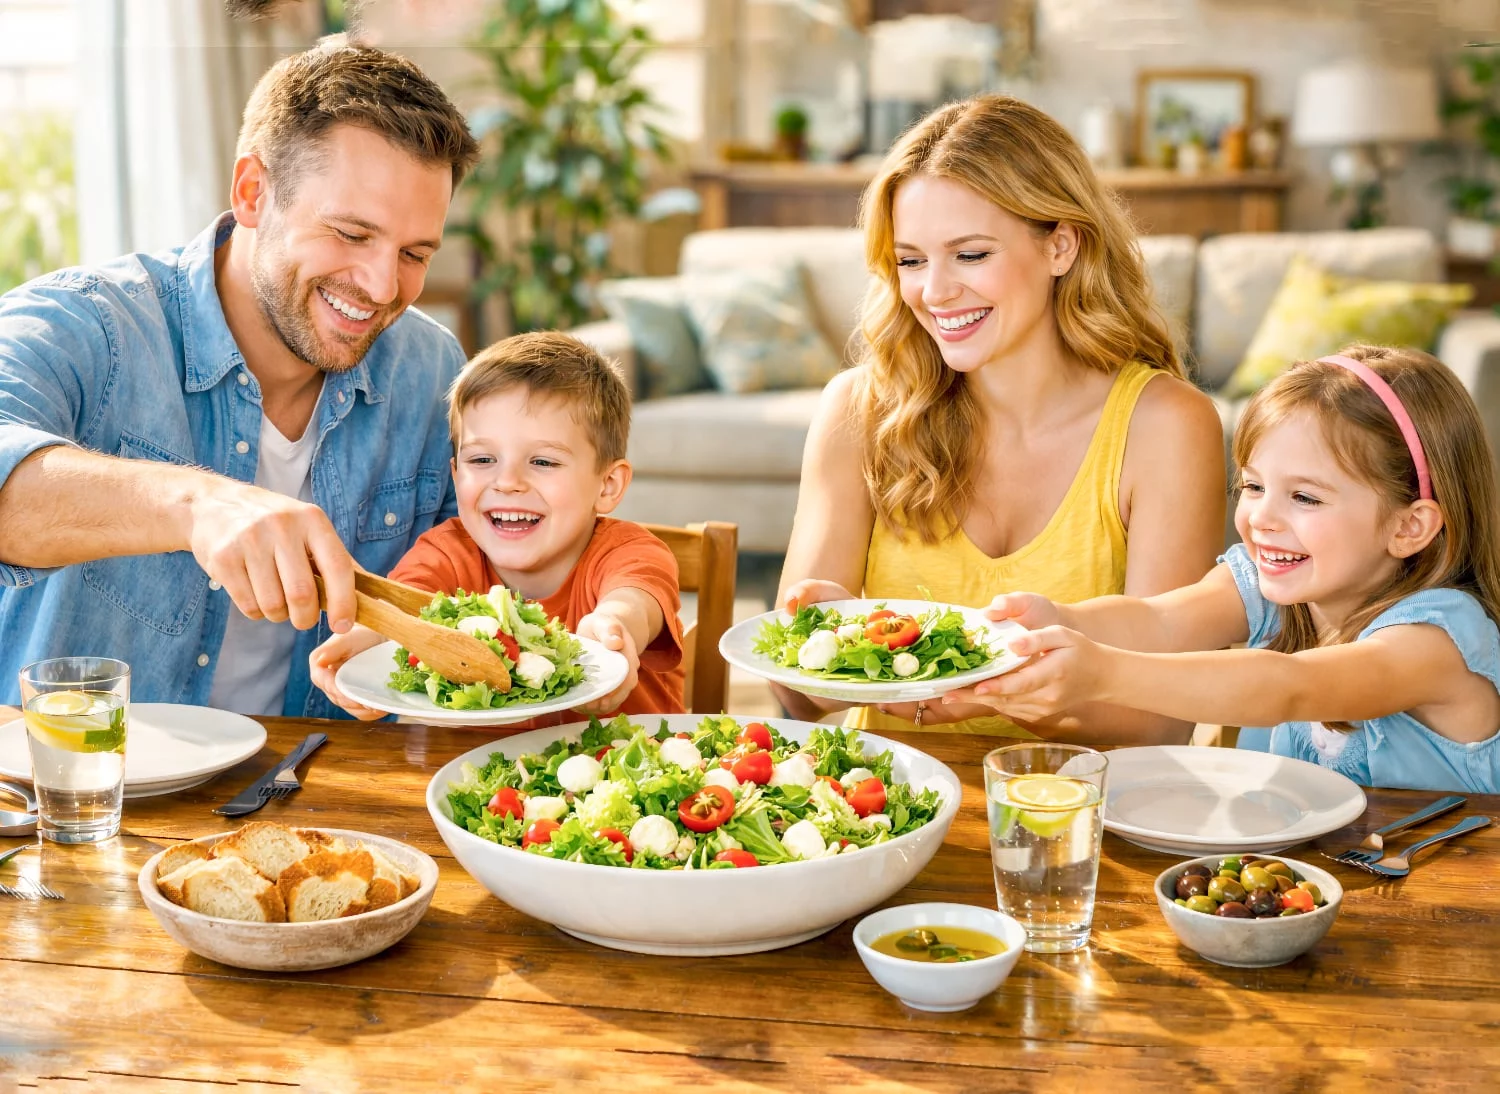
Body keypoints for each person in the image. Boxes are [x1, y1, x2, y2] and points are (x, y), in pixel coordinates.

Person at [0, 38, 479, 718]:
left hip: (315, 798)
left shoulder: (430, 370)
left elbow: (486, 572)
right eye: (349, 233)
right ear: (254, 192)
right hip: (79, 801)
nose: (380, 286)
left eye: (413, 253)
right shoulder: (84, 326)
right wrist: (199, 507)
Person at [776, 94, 1225, 744]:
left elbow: (1158, 722)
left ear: (1061, 246)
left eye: (971, 254)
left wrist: (981, 690)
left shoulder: (1165, 426)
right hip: (888, 816)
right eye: (911, 259)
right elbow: (799, 697)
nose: (933, 291)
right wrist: (809, 643)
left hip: (1085, 821)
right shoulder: (857, 410)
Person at [949, 346, 1500, 793]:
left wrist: (1103, 674)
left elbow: (1293, 688)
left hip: (1440, 909)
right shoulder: (1269, 587)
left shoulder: (1438, 641)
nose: (1261, 517)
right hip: (1299, 887)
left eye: (1305, 498)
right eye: (1254, 486)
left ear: (1409, 527)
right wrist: (1055, 620)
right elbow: (1158, 621)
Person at [310, 331, 686, 726]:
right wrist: (368, 640)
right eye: (483, 459)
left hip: (625, 773)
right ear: (455, 475)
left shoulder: (630, 552)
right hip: (478, 783)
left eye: (543, 462)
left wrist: (614, 626)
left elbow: (635, 601)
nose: (507, 482)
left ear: (607, 486)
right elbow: (407, 610)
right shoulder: (446, 553)